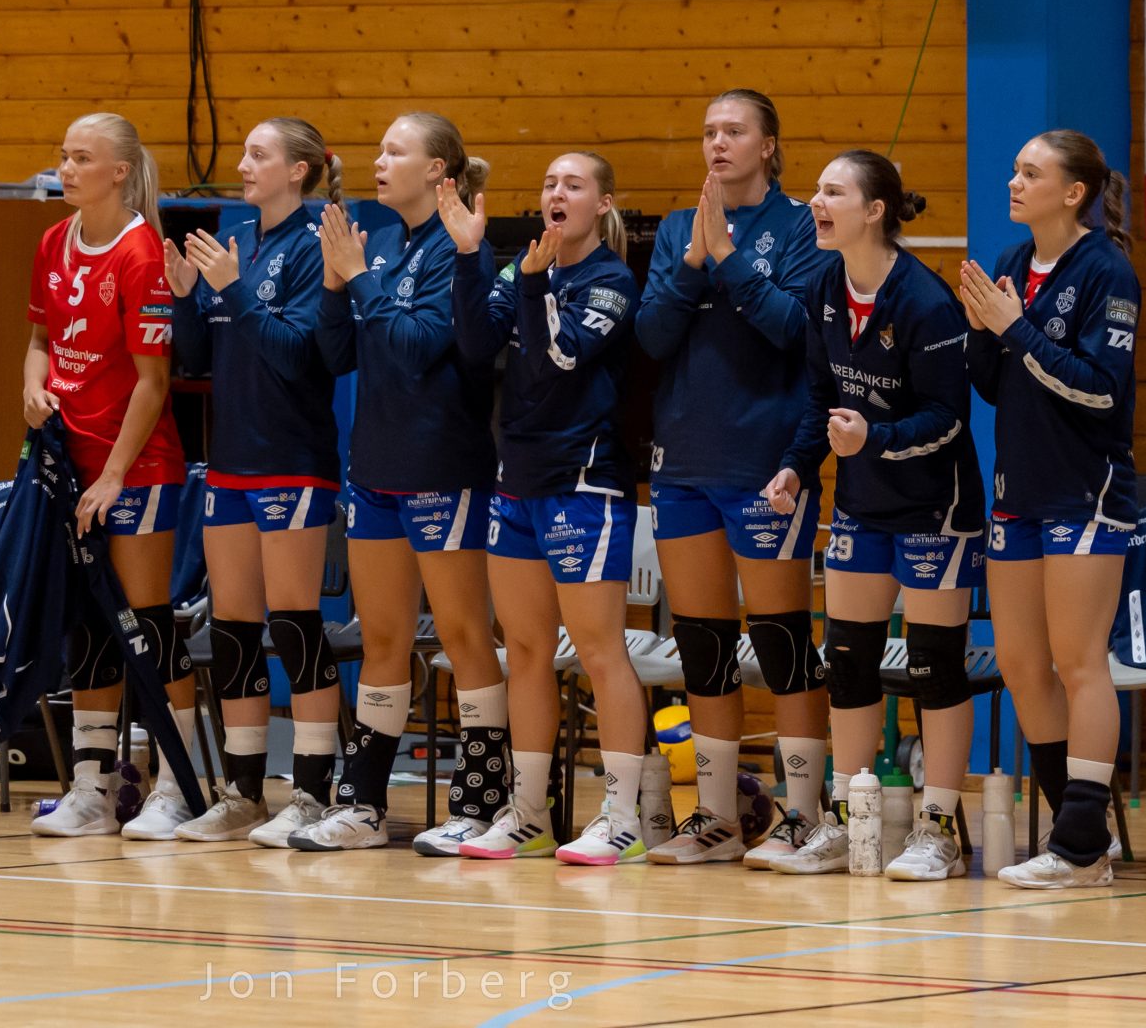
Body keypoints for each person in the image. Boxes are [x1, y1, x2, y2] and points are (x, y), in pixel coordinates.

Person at [285, 112, 507, 853]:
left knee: (463, 635)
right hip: (375, 469)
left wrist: (359, 280)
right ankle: (364, 805)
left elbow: (417, 347)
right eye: (378, 148)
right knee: (382, 637)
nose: (379, 161)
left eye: (395, 150)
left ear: (439, 170)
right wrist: (333, 281)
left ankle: (480, 803)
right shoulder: (381, 243)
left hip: (442, 467)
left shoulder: (460, 248)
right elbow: (337, 354)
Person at [764, 150, 984, 881]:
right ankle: (845, 823)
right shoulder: (823, 286)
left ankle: (939, 830)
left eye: (833, 192)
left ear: (875, 210)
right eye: (817, 191)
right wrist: (796, 464)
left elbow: (949, 417)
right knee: (849, 661)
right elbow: (820, 398)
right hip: (863, 502)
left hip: (934, 507)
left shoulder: (924, 302)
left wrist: (875, 438)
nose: (816, 203)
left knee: (933, 667)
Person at [632, 90, 834, 868]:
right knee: (703, 644)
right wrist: (692, 262)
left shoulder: (802, 226)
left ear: (768, 145)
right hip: (684, 462)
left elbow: (797, 332)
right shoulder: (678, 227)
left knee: (781, 642)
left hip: (765, 463)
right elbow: (652, 335)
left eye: (734, 131)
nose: (717, 143)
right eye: (709, 132)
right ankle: (715, 816)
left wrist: (729, 262)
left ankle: (804, 814)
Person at [443, 152, 649, 865]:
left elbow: (560, 356)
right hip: (518, 481)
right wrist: (469, 255)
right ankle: (529, 814)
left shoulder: (610, 281)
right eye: (549, 183)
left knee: (598, 650)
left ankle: (622, 817)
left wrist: (532, 286)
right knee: (526, 650)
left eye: (574, 184)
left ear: (603, 203)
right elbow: (475, 345)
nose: (556, 193)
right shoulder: (523, 269)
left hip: (583, 483)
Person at [960, 129, 1139, 889]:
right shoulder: (1010, 264)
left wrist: (1014, 328)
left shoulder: (1107, 271)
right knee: (1022, 663)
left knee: (1077, 660)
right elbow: (996, 385)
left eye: (1030, 172)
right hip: (1019, 490)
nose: (1014, 181)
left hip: (1084, 489)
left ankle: (1078, 846)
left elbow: (1099, 390)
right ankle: (1082, 837)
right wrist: (980, 335)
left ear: (1073, 193)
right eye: (1014, 169)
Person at [165, 118, 346, 845]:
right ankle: (242, 794)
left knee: (294, 624)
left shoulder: (312, 245)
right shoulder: (237, 240)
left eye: (257, 155)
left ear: (298, 170)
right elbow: (196, 359)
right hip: (230, 460)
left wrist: (233, 289)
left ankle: (310, 793)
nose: (241, 165)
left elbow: (298, 355)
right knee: (233, 628)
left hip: (292, 458)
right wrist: (187, 297)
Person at [23, 112, 203, 840]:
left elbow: (153, 382)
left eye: (81, 158)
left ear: (119, 171)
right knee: (88, 625)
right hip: (70, 464)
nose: (65, 169)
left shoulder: (139, 253)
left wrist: (115, 475)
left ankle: (178, 784)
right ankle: (93, 788)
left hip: (135, 468)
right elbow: (39, 339)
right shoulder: (52, 242)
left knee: (146, 621)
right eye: (62, 155)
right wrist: (32, 387)